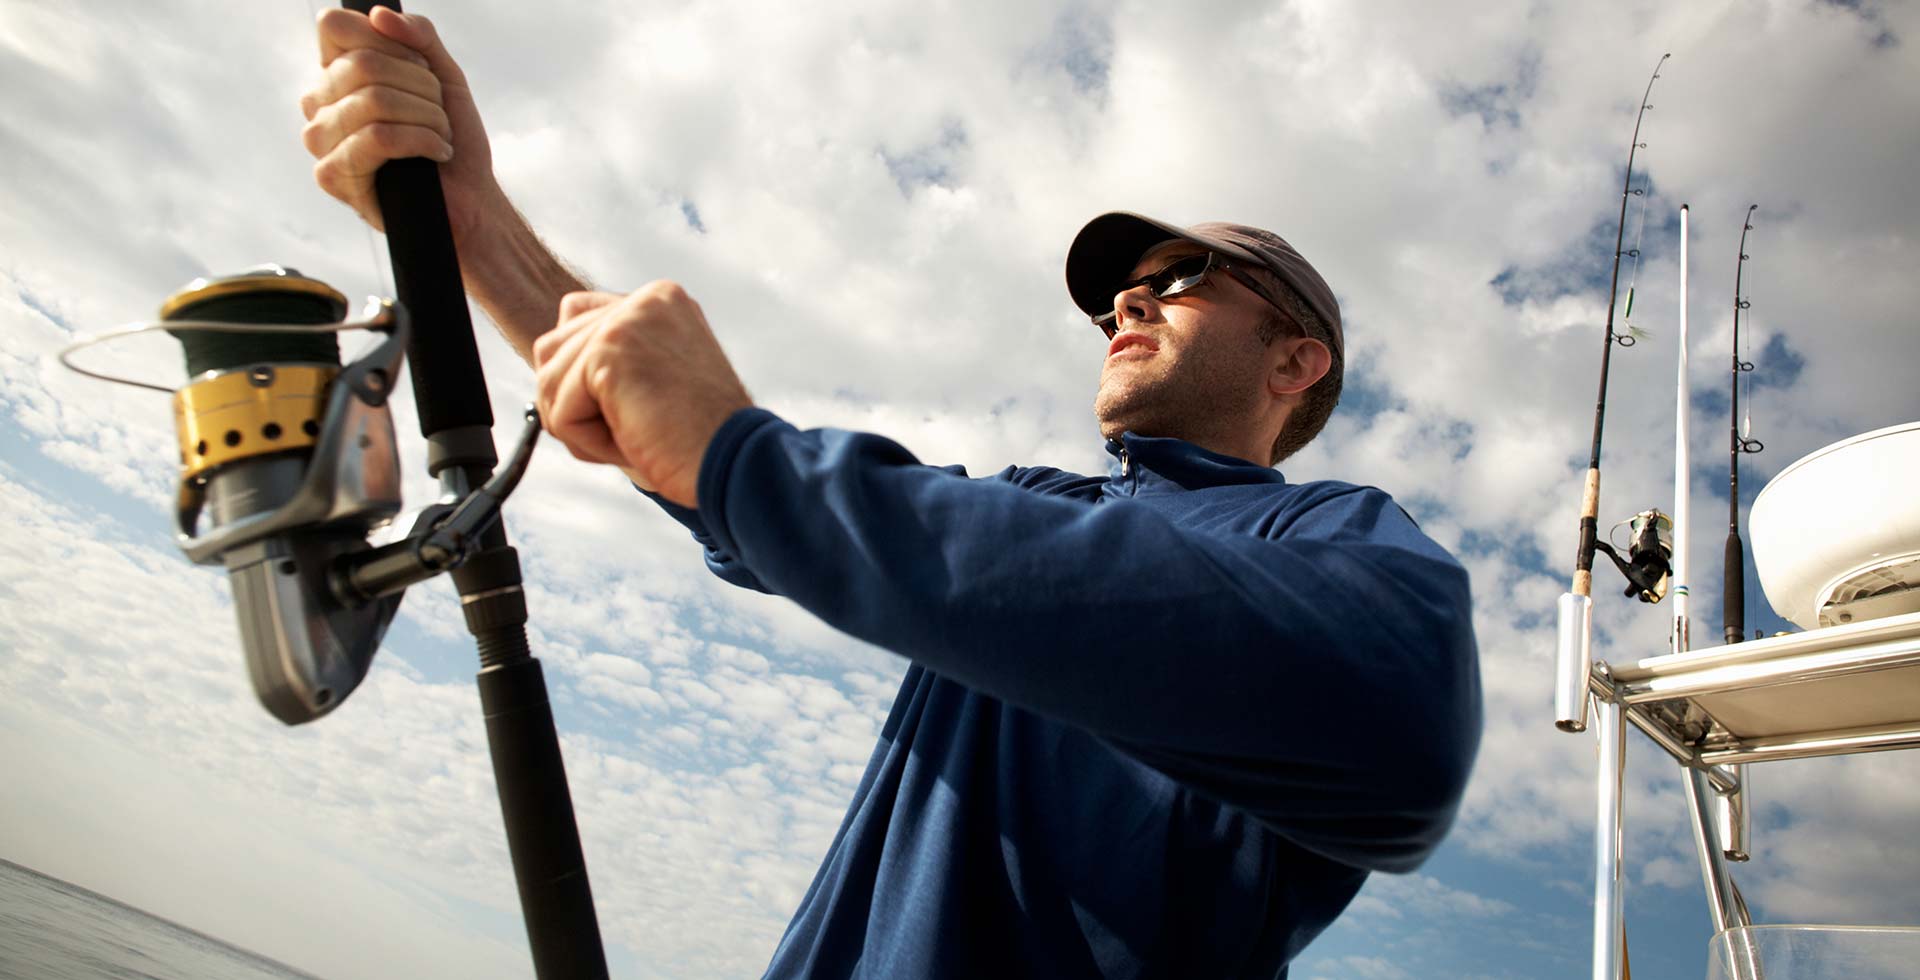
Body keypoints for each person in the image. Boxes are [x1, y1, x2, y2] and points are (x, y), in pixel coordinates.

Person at [301, 9, 1483, 978]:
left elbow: (1403, 710)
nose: (1127, 302)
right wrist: (473, 226)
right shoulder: (1033, 502)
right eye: (1112, 294)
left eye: (1177, 277)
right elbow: (751, 497)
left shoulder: (1330, 539)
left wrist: (748, 461)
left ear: (1296, 360)